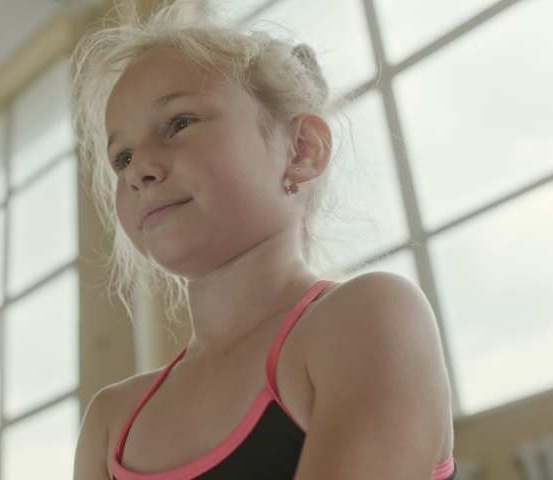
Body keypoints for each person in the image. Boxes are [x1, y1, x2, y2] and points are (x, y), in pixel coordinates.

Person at [69, 2, 455, 478]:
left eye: (180, 123)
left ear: (301, 150)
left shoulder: (365, 315)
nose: (138, 170)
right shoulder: (111, 422)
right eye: (122, 158)